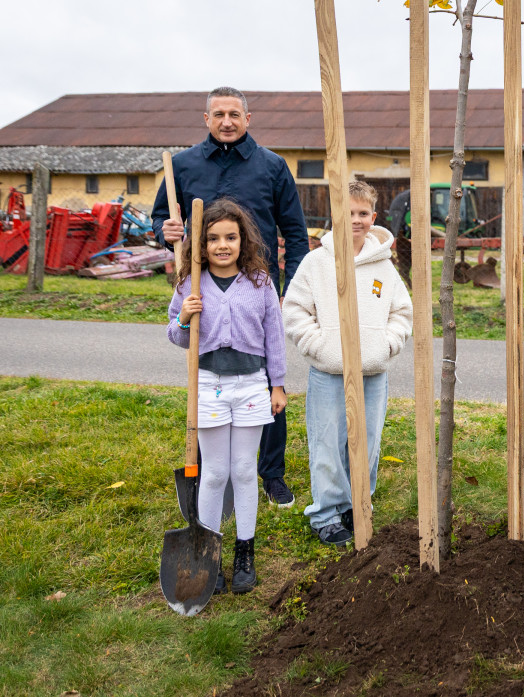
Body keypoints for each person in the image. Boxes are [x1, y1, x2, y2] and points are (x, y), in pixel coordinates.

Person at [153, 87, 309, 510]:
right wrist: (165, 234)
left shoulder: (272, 167)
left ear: (248, 118)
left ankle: (271, 473)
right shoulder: (182, 165)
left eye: (234, 114)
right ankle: (209, 470)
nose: (227, 121)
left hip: (257, 291)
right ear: (206, 119)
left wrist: (288, 289)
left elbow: (295, 233)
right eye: (218, 114)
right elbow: (161, 220)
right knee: (208, 377)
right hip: (204, 287)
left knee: (266, 376)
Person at [283, 180, 414, 546]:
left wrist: (386, 346)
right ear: (336, 215)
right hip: (329, 372)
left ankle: (357, 505)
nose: (355, 220)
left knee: (367, 442)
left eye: (362, 214)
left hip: (373, 373)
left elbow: (402, 312)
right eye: (348, 213)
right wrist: (319, 346)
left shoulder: (383, 267)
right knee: (328, 442)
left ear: (373, 217)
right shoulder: (317, 263)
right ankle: (326, 513)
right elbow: (294, 310)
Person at [167, 198, 287, 595]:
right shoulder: (190, 282)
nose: (222, 245)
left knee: (243, 470)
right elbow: (177, 336)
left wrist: (278, 383)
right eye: (214, 238)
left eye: (231, 237)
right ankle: (208, 551)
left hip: (251, 384)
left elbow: (275, 335)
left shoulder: (259, 281)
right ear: (201, 244)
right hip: (208, 384)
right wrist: (184, 316)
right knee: (215, 472)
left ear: (243, 240)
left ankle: (245, 552)